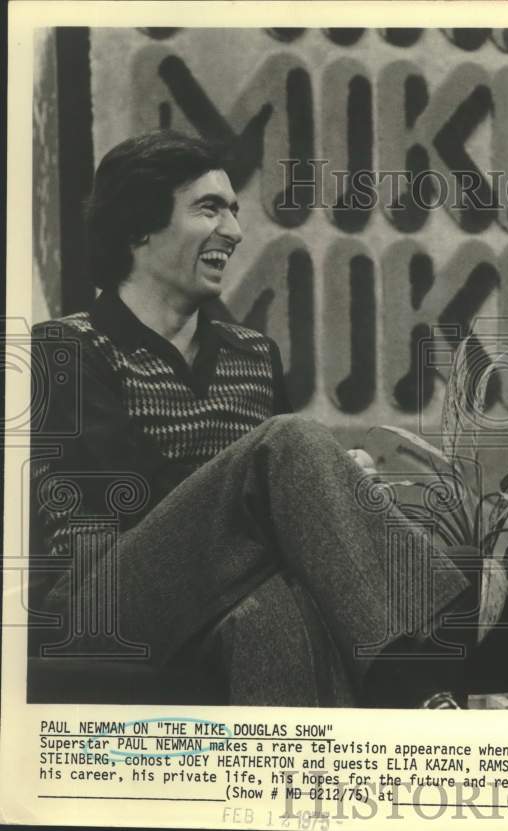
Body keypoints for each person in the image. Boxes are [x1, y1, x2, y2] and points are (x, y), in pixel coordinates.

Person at [29, 130, 475, 708]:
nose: (234, 231)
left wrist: (325, 493)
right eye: (209, 208)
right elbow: (119, 506)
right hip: (106, 603)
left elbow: (265, 508)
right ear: (139, 226)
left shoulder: (253, 354)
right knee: (287, 443)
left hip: (227, 595)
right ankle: (422, 654)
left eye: (235, 211)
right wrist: (287, 493)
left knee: (276, 613)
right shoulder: (63, 349)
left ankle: (302, 787)